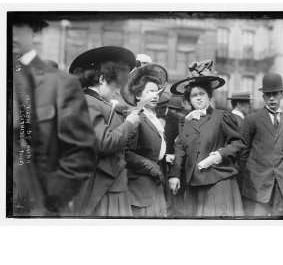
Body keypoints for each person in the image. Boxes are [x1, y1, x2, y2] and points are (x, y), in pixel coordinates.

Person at [11, 14, 97, 216]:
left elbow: (81, 154)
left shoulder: (59, 83)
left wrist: (47, 201)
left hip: (33, 208)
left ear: (33, 29)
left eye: (18, 23)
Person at [69, 46, 140, 216]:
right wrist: (129, 124)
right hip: (103, 188)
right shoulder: (89, 102)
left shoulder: (96, 102)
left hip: (110, 184)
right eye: (116, 85)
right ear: (102, 79)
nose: (118, 91)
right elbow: (103, 142)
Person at [168, 74, 245, 217]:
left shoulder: (221, 116)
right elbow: (180, 150)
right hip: (194, 184)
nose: (198, 98)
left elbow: (238, 143)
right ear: (189, 100)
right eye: (193, 95)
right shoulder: (185, 122)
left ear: (209, 97)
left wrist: (220, 155)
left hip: (218, 180)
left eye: (201, 94)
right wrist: (175, 175)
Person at [240, 73, 283, 217]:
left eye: (275, 94)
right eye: (268, 95)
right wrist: (249, 179)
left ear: (282, 95)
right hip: (257, 186)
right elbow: (243, 153)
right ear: (263, 97)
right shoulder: (252, 120)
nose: (272, 98)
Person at [121, 63, 168, 217]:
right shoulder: (136, 117)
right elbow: (125, 152)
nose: (155, 96)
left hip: (154, 185)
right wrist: (150, 166)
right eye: (150, 92)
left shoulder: (153, 118)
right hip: (140, 188)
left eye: (157, 92)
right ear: (139, 95)